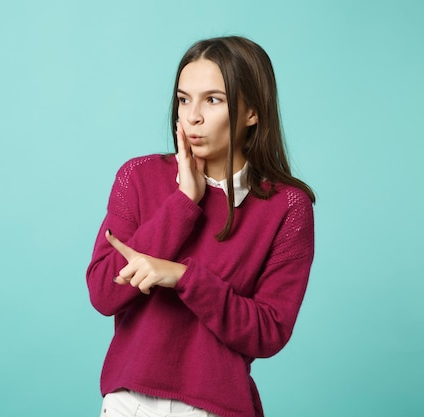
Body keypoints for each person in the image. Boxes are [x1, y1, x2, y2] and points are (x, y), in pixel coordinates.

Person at [86, 36, 315, 417]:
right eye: (183, 99)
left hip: (217, 408)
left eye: (213, 99)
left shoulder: (287, 207)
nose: (192, 116)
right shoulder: (138, 177)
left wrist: (181, 277)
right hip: (129, 404)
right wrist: (182, 203)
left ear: (252, 113)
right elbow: (103, 293)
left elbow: (269, 331)